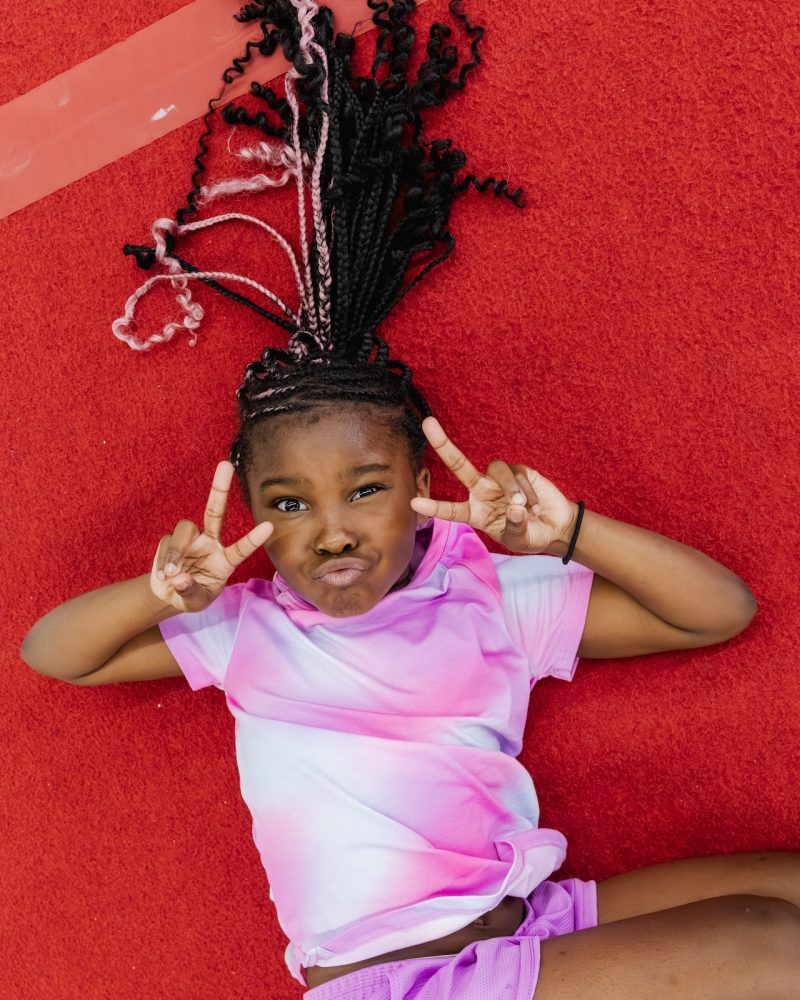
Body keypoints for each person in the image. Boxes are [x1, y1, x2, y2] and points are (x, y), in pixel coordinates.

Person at [21, 1, 800, 997]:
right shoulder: (246, 630)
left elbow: (714, 613)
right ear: (251, 510)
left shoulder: (489, 597)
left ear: (423, 489)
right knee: (768, 946)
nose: (330, 527)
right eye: (289, 503)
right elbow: (57, 654)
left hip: (530, 918)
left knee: (785, 894)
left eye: (364, 488)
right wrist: (163, 592)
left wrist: (565, 533)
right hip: (395, 982)